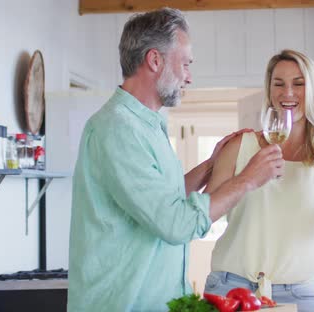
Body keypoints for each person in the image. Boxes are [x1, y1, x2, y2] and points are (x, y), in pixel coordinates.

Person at [67, 8, 284, 312]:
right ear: (154, 60)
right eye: (185, 64)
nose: (189, 77)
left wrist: (210, 166)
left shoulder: (148, 124)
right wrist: (247, 179)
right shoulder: (118, 129)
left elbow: (161, 201)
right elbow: (175, 224)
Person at [203, 49, 314, 311]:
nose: (287, 93)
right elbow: (203, 215)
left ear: (313, 90)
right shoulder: (240, 145)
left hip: (300, 294)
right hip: (231, 287)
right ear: (269, 91)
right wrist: (246, 177)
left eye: (299, 84)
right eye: (278, 84)